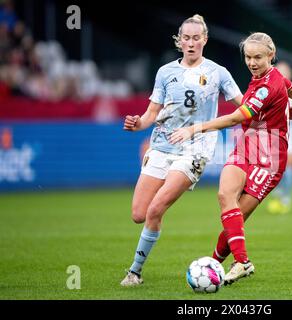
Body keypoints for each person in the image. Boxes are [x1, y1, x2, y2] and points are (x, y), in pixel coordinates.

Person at [170, 32, 292, 285]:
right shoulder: (269, 78)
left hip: (269, 156)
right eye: (248, 57)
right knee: (226, 197)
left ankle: (229, 261)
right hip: (248, 144)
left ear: (271, 55)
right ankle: (236, 263)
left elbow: (237, 118)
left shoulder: (269, 85)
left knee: (237, 216)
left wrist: (195, 128)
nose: (252, 62)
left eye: (258, 57)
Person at [120, 14, 243, 286]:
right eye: (185, 38)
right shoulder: (165, 72)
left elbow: (244, 105)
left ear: (205, 40)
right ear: (179, 40)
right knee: (139, 214)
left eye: (196, 38)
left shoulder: (218, 72)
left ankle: (134, 272)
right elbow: (152, 113)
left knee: (155, 209)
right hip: (162, 145)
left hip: (195, 149)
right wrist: (138, 123)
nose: (191, 43)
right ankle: (138, 266)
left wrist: (272, 113)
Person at [267, 61, 292, 214]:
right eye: (280, 71)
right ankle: (277, 195)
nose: (283, 74)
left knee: (289, 169)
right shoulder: (270, 89)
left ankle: (286, 199)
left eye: (285, 71)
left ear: (290, 74)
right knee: (275, 168)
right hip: (275, 134)